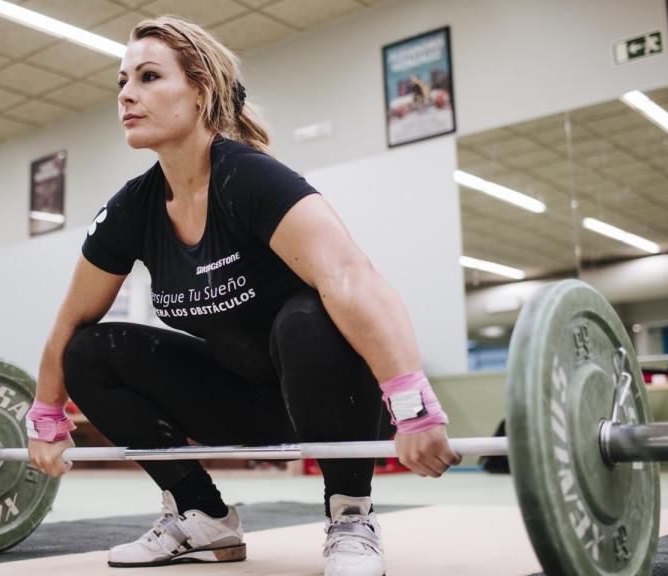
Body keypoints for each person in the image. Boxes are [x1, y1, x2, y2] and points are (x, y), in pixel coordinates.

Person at [26, 15, 459, 576]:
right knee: (89, 351)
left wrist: (412, 406)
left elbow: (351, 277)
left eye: (149, 77)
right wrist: (46, 415)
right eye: (123, 81)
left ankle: (351, 514)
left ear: (201, 90)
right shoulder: (132, 209)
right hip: (238, 404)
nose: (127, 94)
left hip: (333, 401)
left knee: (309, 316)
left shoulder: (249, 177)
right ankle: (201, 515)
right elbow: (70, 321)